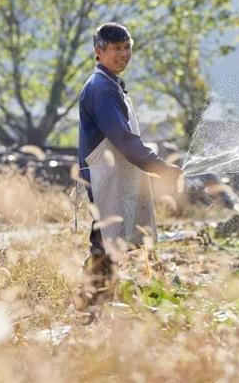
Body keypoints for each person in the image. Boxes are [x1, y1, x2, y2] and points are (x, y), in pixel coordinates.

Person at [77, 22, 181, 309]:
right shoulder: (101, 88)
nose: (123, 54)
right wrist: (161, 168)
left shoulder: (111, 84)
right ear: (99, 51)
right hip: (104, 178)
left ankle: (93, 307)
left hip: (113, 177)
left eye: (127, 48)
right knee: (105, 243)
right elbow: (123, 139)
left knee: (107, 242)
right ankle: (89, 310)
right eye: (116, 49)